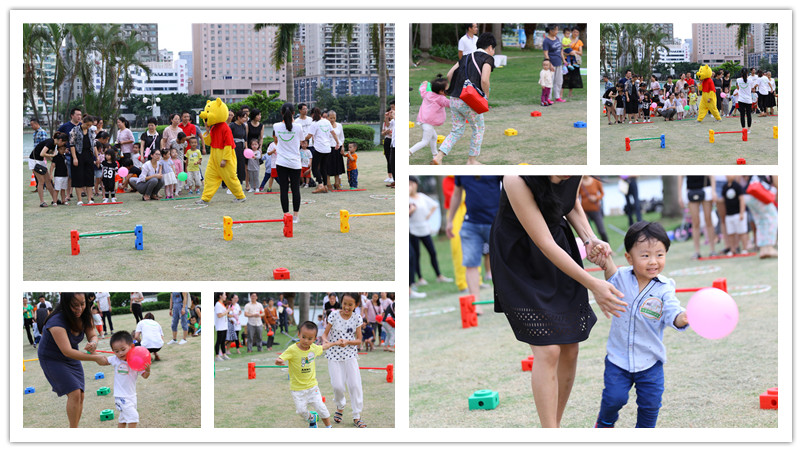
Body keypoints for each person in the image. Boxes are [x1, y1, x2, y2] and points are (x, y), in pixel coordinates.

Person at [489, 176, 627, 428]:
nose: (567, 176)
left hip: (560, 247)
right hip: (520, 258)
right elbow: (544, 243)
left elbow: (569, 201)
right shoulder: (516, 178)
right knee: (548, 350)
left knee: (570, 348)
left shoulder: (573, 171)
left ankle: (554, 428)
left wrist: (589, 238)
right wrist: (593, 284)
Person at [591, 221, 688, 428]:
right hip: (618, 359)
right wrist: (603, 255)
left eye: (660, 255)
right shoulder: (621, 277)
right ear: (629, 258)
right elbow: (609, 271)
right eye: (645, 255)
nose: (653, 261)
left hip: (651, 361)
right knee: (614, 398)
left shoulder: (665, 288)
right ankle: (604, 425)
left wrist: (683, 317)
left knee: (650, 404)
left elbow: (673, 311)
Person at [37, 293, 104, 427]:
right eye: (75, 305)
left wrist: (93, 342)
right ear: (66, 304)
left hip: (71, 356)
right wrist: (95, 357)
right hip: (52, 358)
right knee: (74, 393)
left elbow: (92, 334)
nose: (79, 308)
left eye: (82, 304)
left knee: (80, 394)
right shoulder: (56, 321)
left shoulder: (85, 314)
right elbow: (67, 351)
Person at [432, 32, 496, 165]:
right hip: (469, 101)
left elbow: (449, 74)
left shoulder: (466, 57)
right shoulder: (488, 59)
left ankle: (439, 156)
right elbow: (484, 80)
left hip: (455, 99)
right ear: (490, 47)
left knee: (457, 130)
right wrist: (485, 97)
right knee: (478, 128)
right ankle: (471, 160)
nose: (493, 52)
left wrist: (458, 87)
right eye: (493, 49)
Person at [445, 176, 501, 314]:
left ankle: (511, 300)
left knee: (504, 260)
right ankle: (476, 304)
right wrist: (450, 220)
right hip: (470, 224)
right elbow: (456, 194)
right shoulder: (462, 173)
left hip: (496, 222)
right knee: (470, 263)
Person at [275, 321, 338, 428]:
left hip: (312, 387)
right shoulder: (292, 349)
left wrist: (336, 343)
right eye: (303, 337)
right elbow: (280, 358)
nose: (306, 341)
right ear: (298, 334)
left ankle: (328, 427)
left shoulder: (314, 348)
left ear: (314, 339)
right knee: (301, 411)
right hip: (297, 389)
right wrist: (278, 361)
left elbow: (325, 346)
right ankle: (312, 419)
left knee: (321, 408)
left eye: (310, 339)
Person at [322, 293, 367, 427]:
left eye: (350, 304)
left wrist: (347, 342)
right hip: (333, 356)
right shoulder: (333, 315)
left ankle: (356, 416)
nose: (346, 307)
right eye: (344, 304)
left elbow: (359, 340)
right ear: (341, 303)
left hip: (350, 355)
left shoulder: (357, 318)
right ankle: (340, 405)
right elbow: (324, 335)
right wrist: (328, 342)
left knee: (354, 385)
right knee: (337, 386)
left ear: (356, 305)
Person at [93, 331, 152, 428]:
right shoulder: (115, 360)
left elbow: (145, 376)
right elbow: (102, 362)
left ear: (131, 346)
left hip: (132, 396)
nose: (120, 353)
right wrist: (93, 353)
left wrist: (148, 370)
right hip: (121, 396)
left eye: (123, 349)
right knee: (133, 417)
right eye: (116, 351)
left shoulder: (136, 360)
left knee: (123, 419)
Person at [409, 176, 452, 285]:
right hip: (412, 230)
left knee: (432, 252)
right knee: (416, 255)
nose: (410, 186)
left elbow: (434, 205)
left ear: (416, 184)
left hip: (424, 228)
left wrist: (428, 215)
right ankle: (420, 278)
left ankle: (439, 275)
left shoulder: (421, 196)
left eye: (412, 183)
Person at [274, 102, 306, 223]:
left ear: (281, 113)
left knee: (283, 189)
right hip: (295, 162)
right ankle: (295, 216)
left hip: (281, 162)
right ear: (294, 113)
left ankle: (286, 215)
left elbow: (277, 139)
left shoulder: (276, 126)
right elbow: (302, 141)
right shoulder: (298, 127)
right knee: (295, 189)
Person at [409, 75, 450, 158]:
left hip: (423, 120)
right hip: (428, 123)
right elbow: (451, 104)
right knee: (424, 141)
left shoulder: (428, 94)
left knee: (434, 137)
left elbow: (422, 90)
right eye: (448, 89)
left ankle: (435, 155)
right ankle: (409, 152)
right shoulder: (441, 99)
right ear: (441, 91)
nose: (449, 90)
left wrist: (424, 84)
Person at [679, 175, 717, 259]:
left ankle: (712, 250)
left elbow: (711, 175)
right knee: (695, 222)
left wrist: (713, 191)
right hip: (691, 189)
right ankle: (697, 251)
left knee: (708, 220)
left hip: (706, 188)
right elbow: (680, 176)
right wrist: (680, 195)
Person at [744, 175, 778, 259]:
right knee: (772, 217)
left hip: (748, 194)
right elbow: (776, 180)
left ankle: (763, 249)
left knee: (760, 221)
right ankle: (769, 248)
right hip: (759, 193)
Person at [30, 131, 68, 207]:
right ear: (60, 140)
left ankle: (55, 199)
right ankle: (42, 202)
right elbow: (42, 153)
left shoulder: (54, 145)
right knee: (41, 181)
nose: (63, 145)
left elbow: (45, 154)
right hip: (34, 161)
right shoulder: (50, 142)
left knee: (48, 181)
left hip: (40, 161)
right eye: (63, 143)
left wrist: (51, 160)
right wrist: (52, 155)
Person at [307, 107, 339, 193]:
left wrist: (301, 139)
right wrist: (337, 143)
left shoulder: (314, 123)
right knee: (323, 168)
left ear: (312, 115)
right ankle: (325, 186)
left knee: (314, 167)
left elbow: (309, 135)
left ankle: (320, 185)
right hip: (327, 148)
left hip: (319, 148)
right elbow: (333, 133)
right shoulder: (326, 122)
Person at [69, 115, 98, 205]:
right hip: (78, 155)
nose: (88, 126)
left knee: (89, 177)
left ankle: (90, 199)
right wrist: (74, 158)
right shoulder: (75, 130)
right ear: (83, 122)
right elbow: (72, 144)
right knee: (78, 177)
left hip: (89, 155)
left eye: (90, 125)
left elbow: (94, 145)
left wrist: (97, 157)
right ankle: (79, 200)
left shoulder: (91, 131)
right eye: (87, 125)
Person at [721, 176, 749, 256]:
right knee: (730, 233)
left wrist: (742, 213)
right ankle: (732, 249)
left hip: (738, 213)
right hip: (729, 214)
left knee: (742, 232)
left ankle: (745, 249)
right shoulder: (725, 187)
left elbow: (742, 199)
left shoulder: (737, 186)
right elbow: (723, 200)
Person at [579, 175, 609, 243]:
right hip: (584, 211)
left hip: (596, 209)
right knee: (587, 234)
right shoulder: (579, 182)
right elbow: (577, 197)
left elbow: (602, 193)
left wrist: (596, 198)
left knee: (602, 231)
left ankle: (607, 245)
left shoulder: (596, 180)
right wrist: (581, 212)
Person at [542, 25, 565, 104]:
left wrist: (563, 60)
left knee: (559, 81)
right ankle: (547, 98)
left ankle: (557, 97)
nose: (557, 32)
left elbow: (561, 50)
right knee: (549, 81)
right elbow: (546, 53)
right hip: (551, 64)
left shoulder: (557, 38)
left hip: (559, 63)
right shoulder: (546, 41)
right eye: (556, 30)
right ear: (551, 31)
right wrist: (550, 64)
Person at [562, 27, 584, 100]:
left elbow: (581, 53)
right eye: (574, 32)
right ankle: (560, 94)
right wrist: (568, 54)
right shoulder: (567, 39)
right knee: (565, 76)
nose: (575, 33)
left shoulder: (579, 41)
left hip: (575, 62)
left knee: (573, 78)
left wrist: (574, 52)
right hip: (567, 60)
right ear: (572, 32)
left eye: (577, 32)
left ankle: (570, 94)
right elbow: (562, 51)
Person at [229, 110, 249, 191]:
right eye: (244, 117)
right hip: (233, 147)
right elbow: (228, 137)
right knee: (233, 165)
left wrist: (246, 147)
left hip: (241, 147)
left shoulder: (243, 126)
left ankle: (240, 182)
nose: (245, 119)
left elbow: (245, 138)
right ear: (239, 117)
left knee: (241, 164)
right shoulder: (232, 125)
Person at [328, 111, 346, 190]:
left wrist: (342, 147)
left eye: (334, 118)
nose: (332, 120)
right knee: (328, 166)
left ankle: (337, 183)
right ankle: (328, 184)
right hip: (328, 148)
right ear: (328, 118)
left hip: (337, 147)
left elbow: (342, 137)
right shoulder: (326, 126)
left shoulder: (339, 125)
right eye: (331, 118)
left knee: (337, 166)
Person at [214, 292, 230, 361]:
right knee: (219, 341)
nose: (225, 296)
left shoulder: (222, 304)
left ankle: (224, 354)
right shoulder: (218, 304)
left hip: (224, 325)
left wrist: (227, 310)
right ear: (220, 296)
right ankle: (217, 355)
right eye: (224, 295)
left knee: (223, 341)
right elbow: (219, 315)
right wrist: (227, 311)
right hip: (220, 326)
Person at [381, 109, 394, 184]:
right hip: (387, 140)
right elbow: (382, 133)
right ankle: (389, 176)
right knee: (388, 158)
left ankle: (394, 176)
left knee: (393, 159)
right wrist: (386, 132)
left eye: (391, 113)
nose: (390, 114)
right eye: (389, 113)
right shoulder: (385, 123)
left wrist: (391, 134)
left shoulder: (395, 121)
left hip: (393, 140)